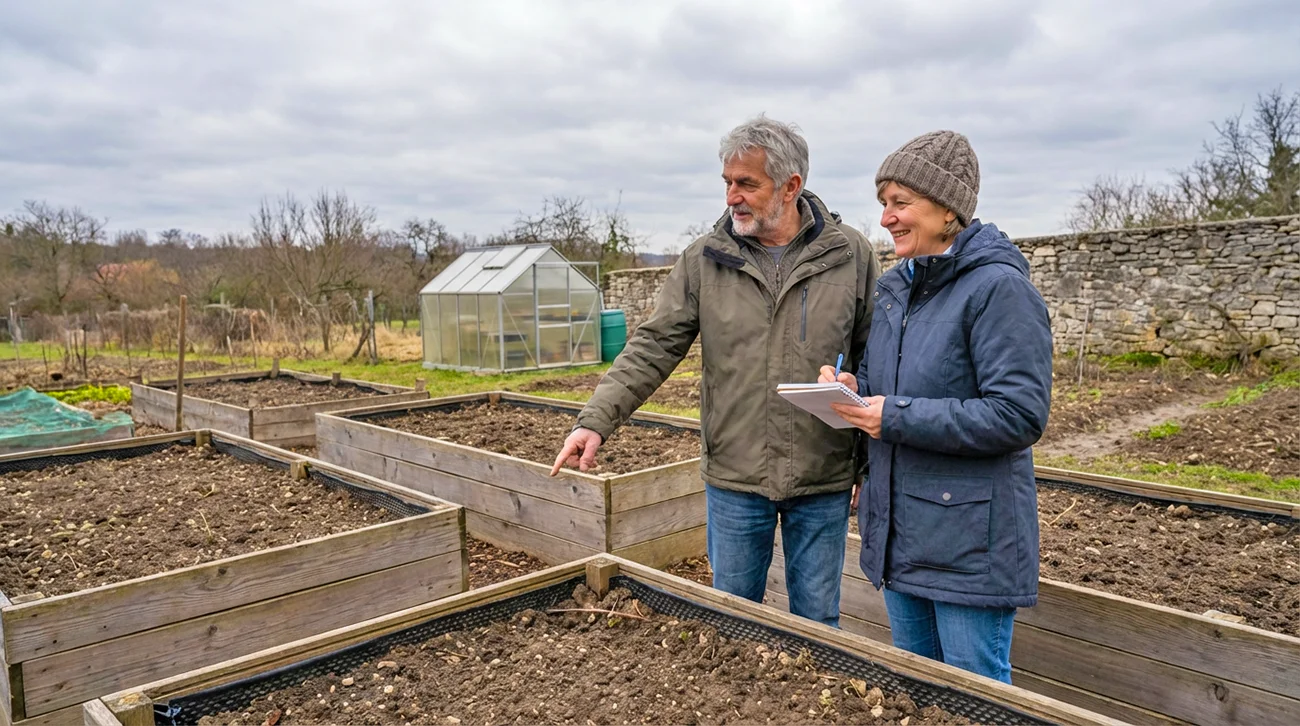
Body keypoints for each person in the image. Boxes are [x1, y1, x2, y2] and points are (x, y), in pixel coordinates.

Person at [551, 115, 880, 627]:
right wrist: (595, 421)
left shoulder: (850, 254)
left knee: (820, 624)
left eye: (746, 183)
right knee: (731, 623)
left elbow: (873, 357)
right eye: (727, 182)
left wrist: (865, 463)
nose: (731, 197)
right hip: (735, 475)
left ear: (791, 186)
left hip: (823, 474)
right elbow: (654, 344)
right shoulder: (706, 258)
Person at [821, 130, 1052, 681]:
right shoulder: (898, 288)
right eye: (883, 205)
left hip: (970, 542)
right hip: (903, 531)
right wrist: (852, 387)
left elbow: (1018, 414)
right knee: (917, 692)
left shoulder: (998, 289)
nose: (886, 219)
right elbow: (889, 383)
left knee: (976, 701)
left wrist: (892, 415)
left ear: (948, 208)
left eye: (901, 203)